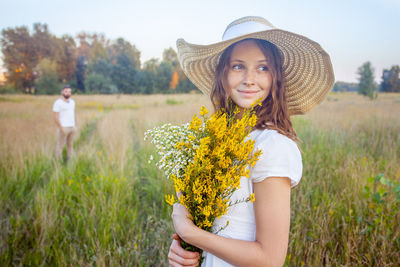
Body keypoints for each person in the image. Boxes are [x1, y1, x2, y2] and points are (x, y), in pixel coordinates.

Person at [168, 16, 334, 267]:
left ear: (275, 77)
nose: (249, 78)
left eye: (263, 67)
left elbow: (270, 259)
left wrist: (192, 233)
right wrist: (185, 250)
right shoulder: (218, 141)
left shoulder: (272, 145)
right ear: (222, 74)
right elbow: (216, 228)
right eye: (237, 66)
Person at [53, 84, 77, 160]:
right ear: (62, 92)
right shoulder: (58, 103)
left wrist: (75, 126)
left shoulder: (72, 102)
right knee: (60, 146)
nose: (68, 93)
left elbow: (72, 114)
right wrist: (60, 127)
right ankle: (58, 162)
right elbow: (55, 117)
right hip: (64, 127)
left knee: (70, 145)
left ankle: (69, 160)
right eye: (66, 91)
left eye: (69, 92)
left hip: (72, 127)